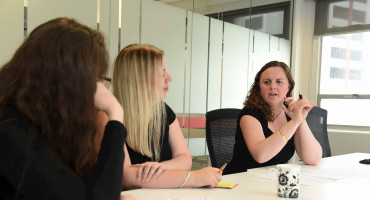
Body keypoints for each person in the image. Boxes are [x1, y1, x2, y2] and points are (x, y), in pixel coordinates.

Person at [0, 17, 135, 200]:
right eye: (97, 80)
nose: (101, 90)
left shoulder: (51, 123)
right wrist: (115, 113)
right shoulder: (7, 124)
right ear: (70, 81)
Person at [111, 44, 221, 189]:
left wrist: (159, 167)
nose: (169, 78)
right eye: (161, 73)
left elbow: (185, 158)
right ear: (139, 79)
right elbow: (126, 176)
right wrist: (195, 178)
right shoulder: (110, 115)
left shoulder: (163, 110)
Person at [224, 61, 322, 175]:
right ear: (259, 87)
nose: (273, 87)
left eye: (279, 82)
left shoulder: (290, 114)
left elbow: (313, 159)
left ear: (288, 86)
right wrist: (295, 122)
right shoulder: (249, 115)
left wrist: (301, 120)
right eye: (267, 82)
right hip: (240, 181)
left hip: (272, 181)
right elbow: (260, 155)